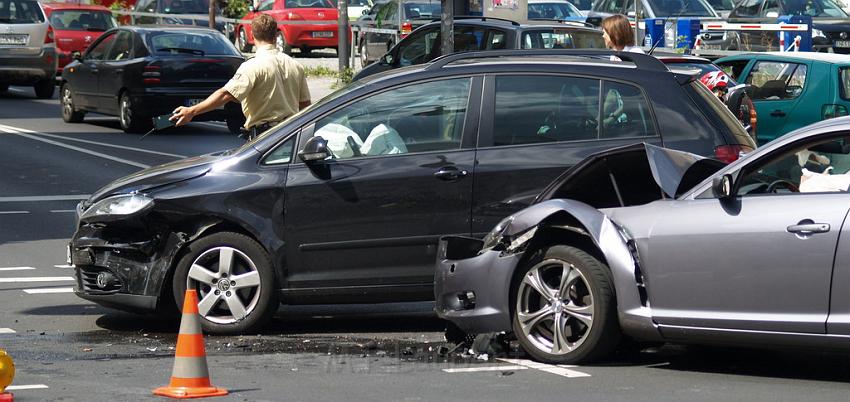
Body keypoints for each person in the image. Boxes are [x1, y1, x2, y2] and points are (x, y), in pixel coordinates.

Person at [170, 14, 311, 139]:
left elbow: (226, 95)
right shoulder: (295, 65)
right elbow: (305, 106)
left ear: (252, 36)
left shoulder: (252, 66)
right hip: (290, 137)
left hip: (266, 138)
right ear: (275, 36)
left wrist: (191, 111)